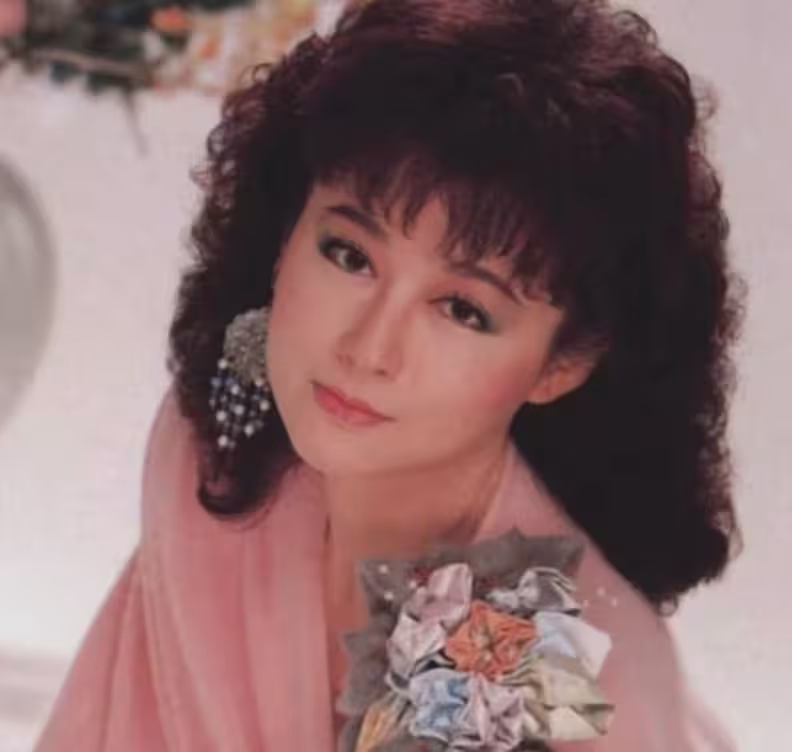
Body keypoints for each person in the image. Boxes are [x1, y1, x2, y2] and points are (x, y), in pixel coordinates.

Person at [34, 0, 745, 749]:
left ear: (561, 365)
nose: (369, 349)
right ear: (285, 231)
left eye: (463, 310)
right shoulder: (211, 444)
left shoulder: (568, 664)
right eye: (350, 255)